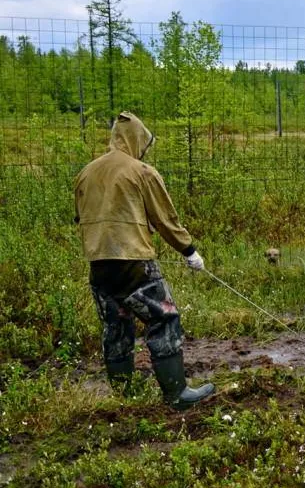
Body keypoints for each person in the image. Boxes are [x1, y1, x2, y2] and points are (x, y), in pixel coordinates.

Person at [74, 111, 214, 410]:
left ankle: (124, 397)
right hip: (134, 262)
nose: (145, 150)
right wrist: (189, 252)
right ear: (137, 139)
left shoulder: (86, 172)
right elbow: (165, 219)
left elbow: (82, 217)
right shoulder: (142, 171)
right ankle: (177, 394)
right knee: (164, 318)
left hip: (98, 264)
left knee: (116, 325)